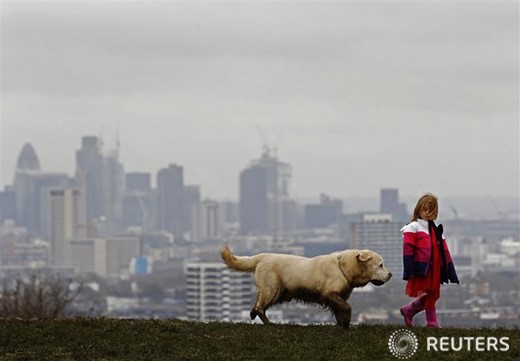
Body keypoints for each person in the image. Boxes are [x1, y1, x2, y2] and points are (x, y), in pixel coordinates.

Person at [399, 193, 459, 328]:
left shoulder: (436, 230)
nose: (427, 213)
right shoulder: (413, 227)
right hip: (422, 268)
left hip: (436, 269)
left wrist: (450, 271)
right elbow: (408, 249)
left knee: (433, 295)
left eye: (431, 211)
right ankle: (432, 323)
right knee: (431, 295)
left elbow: (445, 252)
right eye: (425, 209)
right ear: (418, 209)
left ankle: (409, 310)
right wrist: (408, 270)